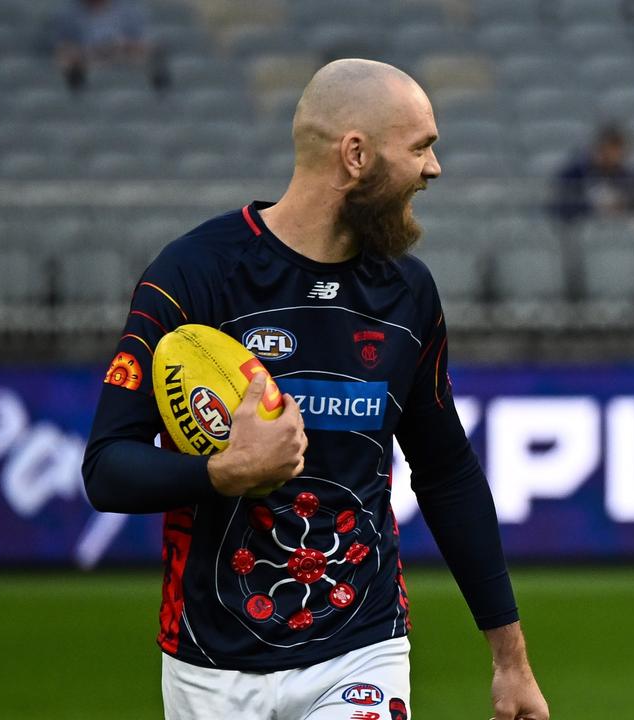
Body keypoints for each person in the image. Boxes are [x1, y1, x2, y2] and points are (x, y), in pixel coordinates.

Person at [82, 59, 548, 720]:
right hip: (209, 661)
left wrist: (511, 661)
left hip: (362, 649)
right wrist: (226, 471)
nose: (434, 168)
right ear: (355, 155)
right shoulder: (193, 275)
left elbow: (448, 475)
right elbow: (106, 468)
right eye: (421, 147)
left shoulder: (407, 294)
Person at [51, 0, 170, 93]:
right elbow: (62, 47)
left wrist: (120, 45)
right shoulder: (68, 13)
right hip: (87, 62)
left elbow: (144, 44)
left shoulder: (129, 10)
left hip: (123, 59)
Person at [550, 122, 634, 224]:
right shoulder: (574, 173)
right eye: (609, 149)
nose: (614, 155)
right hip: (580, 231)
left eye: (618, 150)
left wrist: (623, 204)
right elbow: (559, 205)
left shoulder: (631, 176)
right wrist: (592, 205)